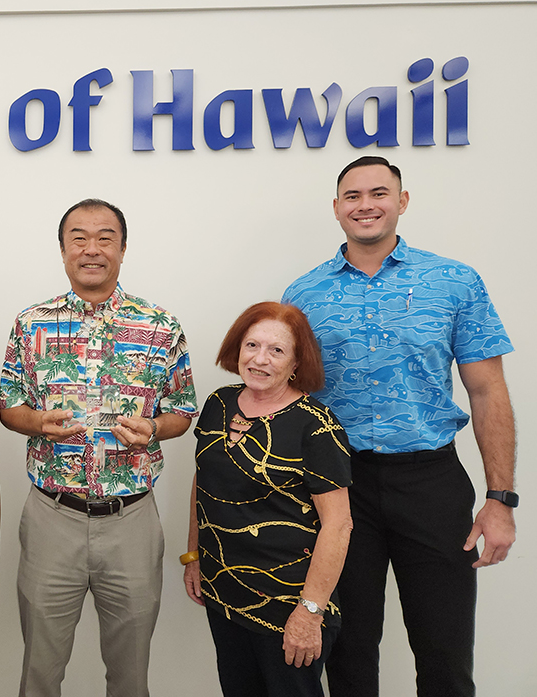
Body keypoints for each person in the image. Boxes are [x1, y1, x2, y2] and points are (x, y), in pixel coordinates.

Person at [283, 156, 517, 697]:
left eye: (379, 193)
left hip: (430, 482)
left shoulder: (454, 282)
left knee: (445, 651)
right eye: (353, 196)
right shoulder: (303, 295)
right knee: (347, 651)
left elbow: (487, 392)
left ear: (402, 201)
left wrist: (500, 497)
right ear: (337, 209)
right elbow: (290, 399)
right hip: (339, 489)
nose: (366, 205)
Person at [0, 198, 197, 697]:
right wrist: (38, 423)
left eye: (105, 238)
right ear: (63, 250)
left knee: (130, 676)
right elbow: (8, 407)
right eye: (79, 238)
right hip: (51, 517)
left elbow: (183, 410)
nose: (92, 249)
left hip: (131, 519)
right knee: (40, 673)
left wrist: (153, 429)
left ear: (123, 249)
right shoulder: (31, 323)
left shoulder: (160, 326)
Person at [183, 302, 353, 697]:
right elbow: (204, 481)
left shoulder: (316, 425)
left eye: (277, 351)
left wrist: (310, 613)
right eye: (252, 345)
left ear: (297, 362)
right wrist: (194, 556)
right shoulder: (218, 404)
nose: (260, 359)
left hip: (288, 602)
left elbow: (339, 524)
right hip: (224, 590)